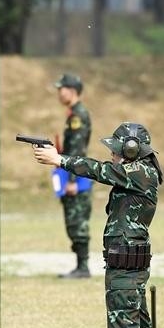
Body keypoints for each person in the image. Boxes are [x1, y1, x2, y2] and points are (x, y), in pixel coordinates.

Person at [30, 122, 164, 328]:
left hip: (126, 264)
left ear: (131, 150)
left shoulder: (139, 172)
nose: (113, 155)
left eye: (117, 151)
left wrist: (60, 160)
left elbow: (98, 170)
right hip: (128, 260)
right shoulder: (139, 172)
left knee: (123, 326)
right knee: (139, 324)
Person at [54, 73, 93, 279]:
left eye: (62, 88)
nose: (59, 93)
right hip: (73, 172)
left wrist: (70, 181)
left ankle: (83, 267)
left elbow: (76, 151)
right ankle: (80, 265)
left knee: (77, 220)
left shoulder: (78, 116)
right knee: (73, 220)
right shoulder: (73, 115)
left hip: (76, 176)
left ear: (72, 90)